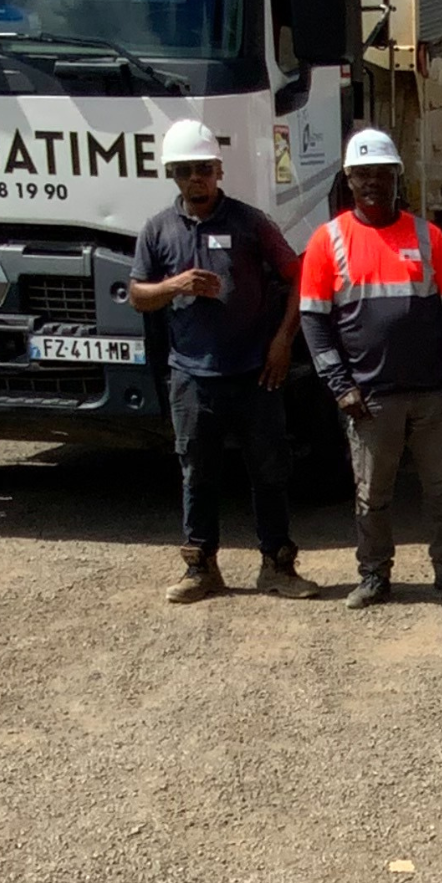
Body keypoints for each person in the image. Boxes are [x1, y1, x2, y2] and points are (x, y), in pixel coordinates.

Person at [129, 119, 320, 604]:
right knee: (197, 473)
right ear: (172, 174)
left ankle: (277, 566)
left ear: (218, 170)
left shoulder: (250, 223)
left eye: (204, 169)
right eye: (185, 170)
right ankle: (201, 570)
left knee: (269, 471)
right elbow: (137, 295)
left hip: (255, 373)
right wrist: (175, 286)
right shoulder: (158, 230)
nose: (196, 178)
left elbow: (300, 277)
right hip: (192, 377)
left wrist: (282, 341)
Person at [300, 129, 442, 609]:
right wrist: (340, 386)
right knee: (372, 494)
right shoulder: (328, 240)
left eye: (382, 174)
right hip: (369, 398)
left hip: (432, 393)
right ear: (349, 181)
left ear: (397, 177)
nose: (373, 183)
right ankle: (374, 575)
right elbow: (314, 321)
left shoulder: (428, 236)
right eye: (363, 175)